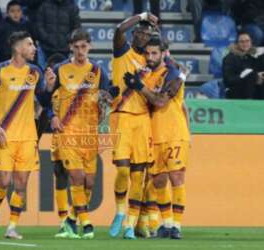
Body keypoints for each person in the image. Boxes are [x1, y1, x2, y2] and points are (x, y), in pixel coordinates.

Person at [0, 31, 56, 239]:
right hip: (5, 134)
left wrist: (49, 87)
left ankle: (12, 227)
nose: (34, 48)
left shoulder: (35, 71)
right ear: (17, 47)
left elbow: (43, 100)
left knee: (21, 184)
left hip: (28, 137)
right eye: (30, 44)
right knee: (4, 181)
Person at [45, 28, 113, 239]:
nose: (80, 50)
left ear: (89, 46)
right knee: (76, 176)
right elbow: (45, 96)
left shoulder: (98, 71)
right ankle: (87, 223)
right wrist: (51, 116)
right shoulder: (61, 69)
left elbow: (108, 96)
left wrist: (107, 104)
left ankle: (71, 220)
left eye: (84, 46)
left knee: (89, 182)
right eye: (76, 47)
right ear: (70, 48)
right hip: (67, 131)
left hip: (89, 133)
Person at [123, 37, 190, 239]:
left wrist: (139, 87)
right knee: (159, 181)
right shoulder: (146, 76)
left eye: (155, 53)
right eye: (148, 53)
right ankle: (166, 224)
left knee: (176, 177)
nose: (150, 57)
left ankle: (177, 226)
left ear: (163, 54)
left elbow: (161, 101)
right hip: (153, 135)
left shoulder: (173, 74)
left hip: (174, 134)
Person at [108, 12, 158, 239]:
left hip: (143, 120)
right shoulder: (123, 53)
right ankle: (119, 211)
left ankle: (130, 223)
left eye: (147, 34)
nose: (142, 37)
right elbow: (119, 31)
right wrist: (142, 16)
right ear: (135, 33)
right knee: (122, 169)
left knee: (139, 175)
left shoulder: (152, 63)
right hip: (122, 116)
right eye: (139, 32)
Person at [223, 31, 264, 99]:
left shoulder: (252, 57)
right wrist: (252, 78)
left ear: (251, 42)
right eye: (242, 42)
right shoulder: (230, 58)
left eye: (247, 41)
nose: (245, 44)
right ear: (237, 43)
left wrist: (259, 77)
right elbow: (228, 80)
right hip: (236, 92)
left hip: (252, 90)